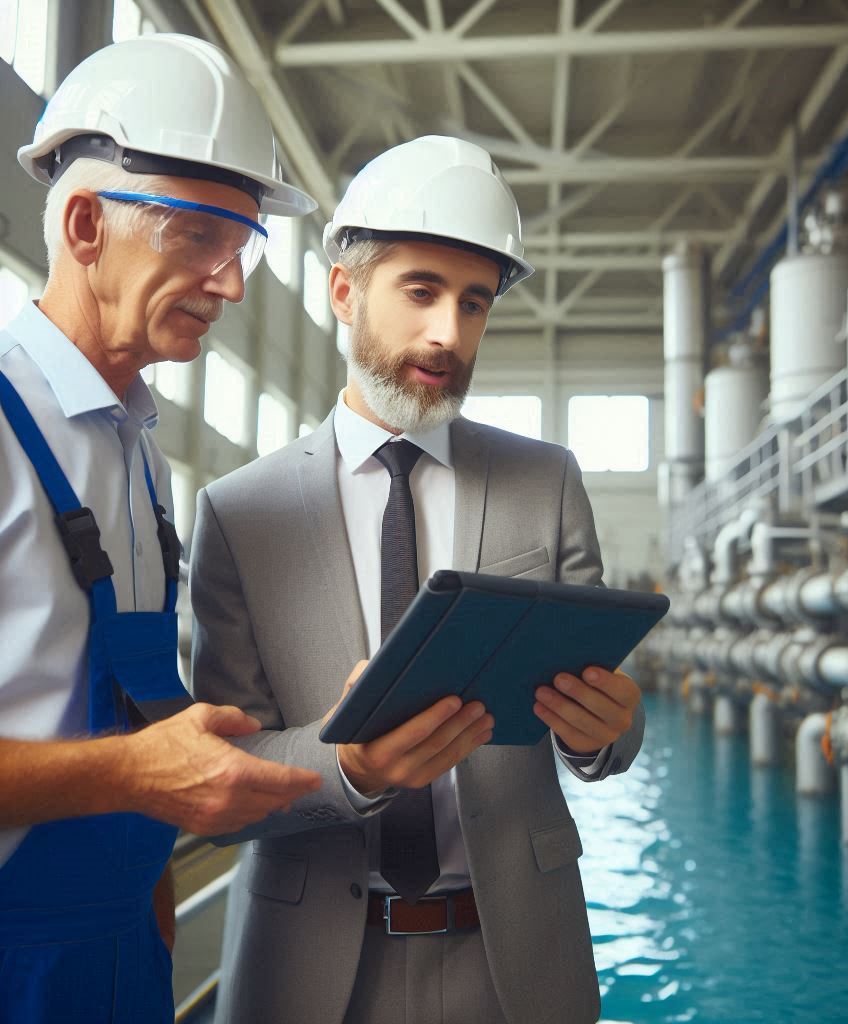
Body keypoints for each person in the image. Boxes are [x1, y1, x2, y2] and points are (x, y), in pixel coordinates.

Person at [190, 135, 645, 1024]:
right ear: (343, 291)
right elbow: (222, 777)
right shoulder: (240, 515)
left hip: (514, 958)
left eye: (474, 304)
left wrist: (605, 733)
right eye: (422, 292)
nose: (449, 333)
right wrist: (347, 765)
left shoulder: (545, 483)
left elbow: (609, 736)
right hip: (307, 970)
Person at [0, 34, 324, 1022]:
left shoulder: (141, 446)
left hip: (121, 957)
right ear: (86, 222)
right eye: (200, 238)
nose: (232, 284)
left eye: (244, 247)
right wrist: (136, 772)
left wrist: (152, 931)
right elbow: (134, 763)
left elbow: (131, 715)